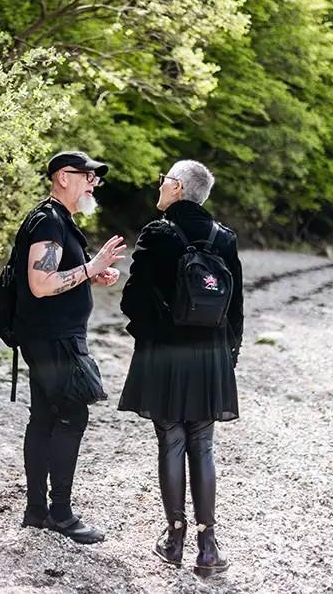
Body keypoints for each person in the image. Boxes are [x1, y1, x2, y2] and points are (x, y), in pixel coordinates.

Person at [118, 160, 243, 575]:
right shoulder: (224, 237)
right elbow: (236, 308)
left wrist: (152, 335)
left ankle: (174, 540)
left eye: (163, 180)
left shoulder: (157, 233)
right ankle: (208, 548)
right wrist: (228, 357)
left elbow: (131, 301)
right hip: (211, 357)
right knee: (203, 447)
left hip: (165, 354)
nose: (160, 186)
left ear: (177, 187)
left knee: (171, 441)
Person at [14, 150, 128, 544]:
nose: (93, 184)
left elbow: (56, 276)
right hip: (54, 339)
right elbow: (41, 284)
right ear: (63, 177)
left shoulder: (57, 219)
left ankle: (36, 511)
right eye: (87, 176)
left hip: (50, 337)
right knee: (71, 416)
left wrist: (91, 276)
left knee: (43, 418)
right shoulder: (48, 221)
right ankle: (59, 514)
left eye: (95, 178)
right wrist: (92, 266)